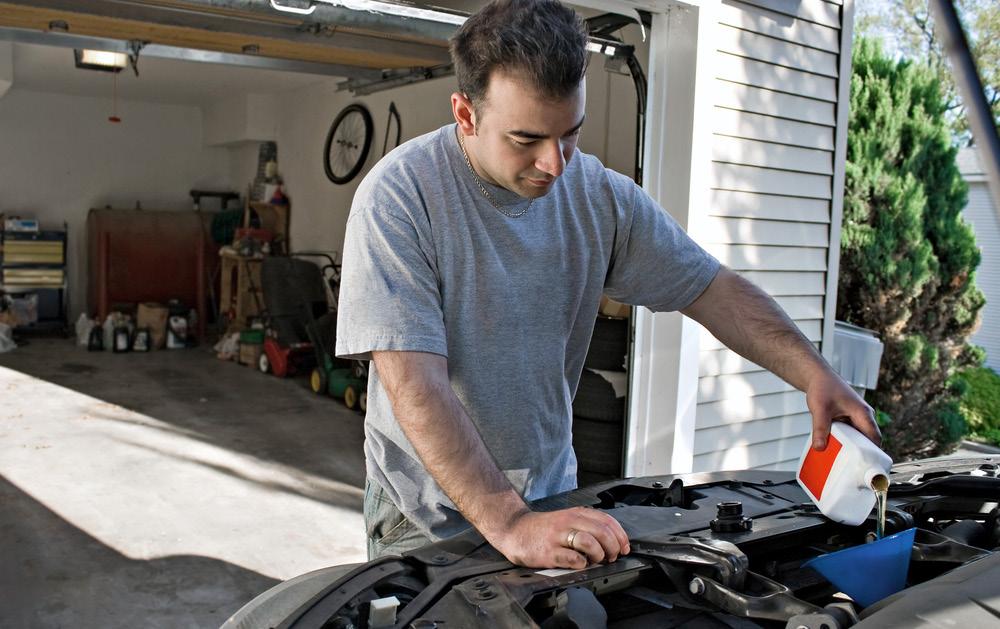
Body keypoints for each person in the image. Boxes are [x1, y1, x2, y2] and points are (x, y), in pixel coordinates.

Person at [335, 0, 880, 570]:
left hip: (549, 496)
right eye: (526, 139)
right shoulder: (400, 198)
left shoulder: (599, 197)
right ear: (466, 115)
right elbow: (416, 386)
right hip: (427, 518)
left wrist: (815, 374)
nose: (555, 163)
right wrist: (510, 521)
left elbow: (712, 289)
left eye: (570, 133)